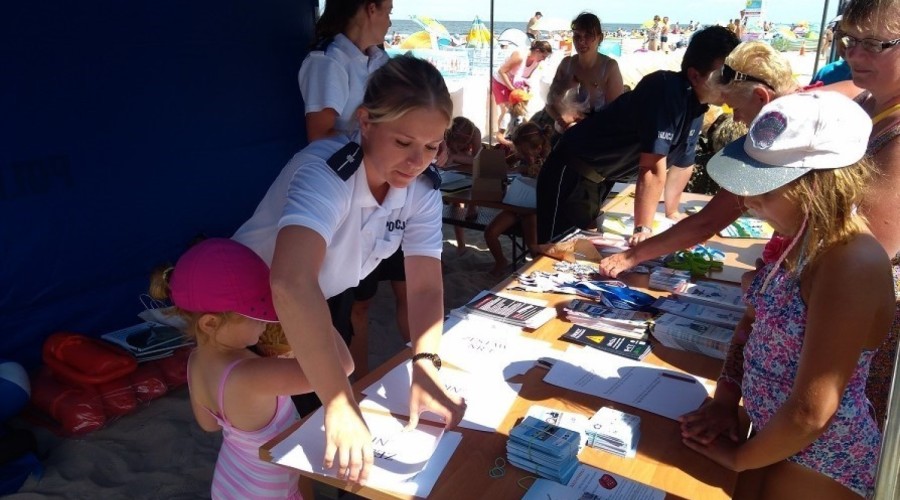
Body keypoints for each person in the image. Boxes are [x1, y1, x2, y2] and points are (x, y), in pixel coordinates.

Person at [233, 55, 467, 484]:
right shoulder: (328, 172)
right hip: (245, 314)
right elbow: (289, 280)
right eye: (403, 142)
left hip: (316, 296)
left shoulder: (422, 188)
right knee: (275, 452)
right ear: (365, 122)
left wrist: (427, 363)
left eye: (432, 146)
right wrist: (338, 403)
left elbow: (424, 289)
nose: (418, 161)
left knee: (328, 432)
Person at [681, 92, 893, 499]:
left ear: (821, 182)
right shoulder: (802, 238)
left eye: (766, 188)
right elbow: (752, 325)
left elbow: (813, 412)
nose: (749, 201)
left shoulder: (850, 263)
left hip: (818, 458)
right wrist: (726, 399)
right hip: (770, 434)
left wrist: (738, 459)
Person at [148, 238, 354, 499]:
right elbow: (342, 366)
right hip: (269, 491)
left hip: (230, 483)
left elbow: (210, 424)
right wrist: (312, 307)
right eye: (256, 316)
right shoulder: (252, 375)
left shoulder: (196, 361)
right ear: (210, 323)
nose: (265, 324)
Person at [598, 40, 800, 276]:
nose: (735, 119)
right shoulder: (806, 110)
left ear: (760, 97)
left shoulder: (783, 139)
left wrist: (632, 256)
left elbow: (709, 222)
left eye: (735, 107)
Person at [535, 26, 740, 246]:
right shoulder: (665, 90)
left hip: (599, 178)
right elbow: (652, 167)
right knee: (557, 249)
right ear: (695, 75)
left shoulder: (697, 105)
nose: (732, 83)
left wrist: (673, 215)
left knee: (581, 249)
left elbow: (683, 164)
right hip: (570, 169)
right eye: (725, 75)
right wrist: (643, 230)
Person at [296, 0, 402, 378]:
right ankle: (337, 391)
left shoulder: (381, 62)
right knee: (337, 306)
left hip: (381, 196)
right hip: (342, 198)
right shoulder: (329, 61)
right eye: (388, 9)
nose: (391, 18)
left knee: (364, 299)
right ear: (369, 8)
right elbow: (320, 137)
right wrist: (385, 143)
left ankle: (358, 383)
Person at [485, 122, 552, 275]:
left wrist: (530, 166)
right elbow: (502, 166)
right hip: (517, 205)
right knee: (490, 232)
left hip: (534, 209)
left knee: (532, 243)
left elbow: (543, 181)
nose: (520, 155)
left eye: (523, 152)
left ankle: (538, 267)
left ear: (538, 148)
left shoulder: (548, 160)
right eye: (519, 151)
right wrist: (511, 159)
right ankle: (501, 261)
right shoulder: (522, 154)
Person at [543, 12, 625, 133]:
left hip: (596, 135)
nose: (581, 41)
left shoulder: (609, 68)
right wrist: (560, 118)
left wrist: (585, 122)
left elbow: (616, 113)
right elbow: (549, 103)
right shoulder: (566, 64)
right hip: (567, 133)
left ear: (600, 38)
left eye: (588, 35)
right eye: (577, 36)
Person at [436, 116, 483, 255]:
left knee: (471, 186)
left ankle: (473, 206)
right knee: (455, 204)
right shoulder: (445, 131)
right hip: (452, 170)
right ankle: (461, 244)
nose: (458, 146)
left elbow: (479, 161)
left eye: (461, 143)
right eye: (455, 142)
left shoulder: (476, 133)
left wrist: (456, 157)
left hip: (465, 169)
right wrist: (450, 156)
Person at [491, 40, 552, 141]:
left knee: (520, 110)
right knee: (506, 110)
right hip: (500, 81)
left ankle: (511, 133)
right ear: (537, 51)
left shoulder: (536, 62)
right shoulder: (519, 56)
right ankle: (501, 136)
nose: (544, 59)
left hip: (513, 83)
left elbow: (526, 77)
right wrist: (512, 89)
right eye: (543, 56)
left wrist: (524, 90)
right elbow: (501, 71)